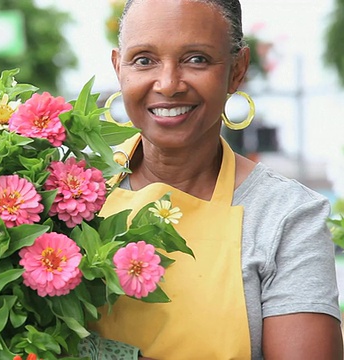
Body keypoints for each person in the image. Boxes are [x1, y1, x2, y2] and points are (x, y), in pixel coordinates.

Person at [87, 0, 344, 359]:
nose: (168, 84)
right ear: (119, 68)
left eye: (197, 59)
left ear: (237, 70)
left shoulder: (286, 218)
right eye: (144, 60)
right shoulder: (68, 195)